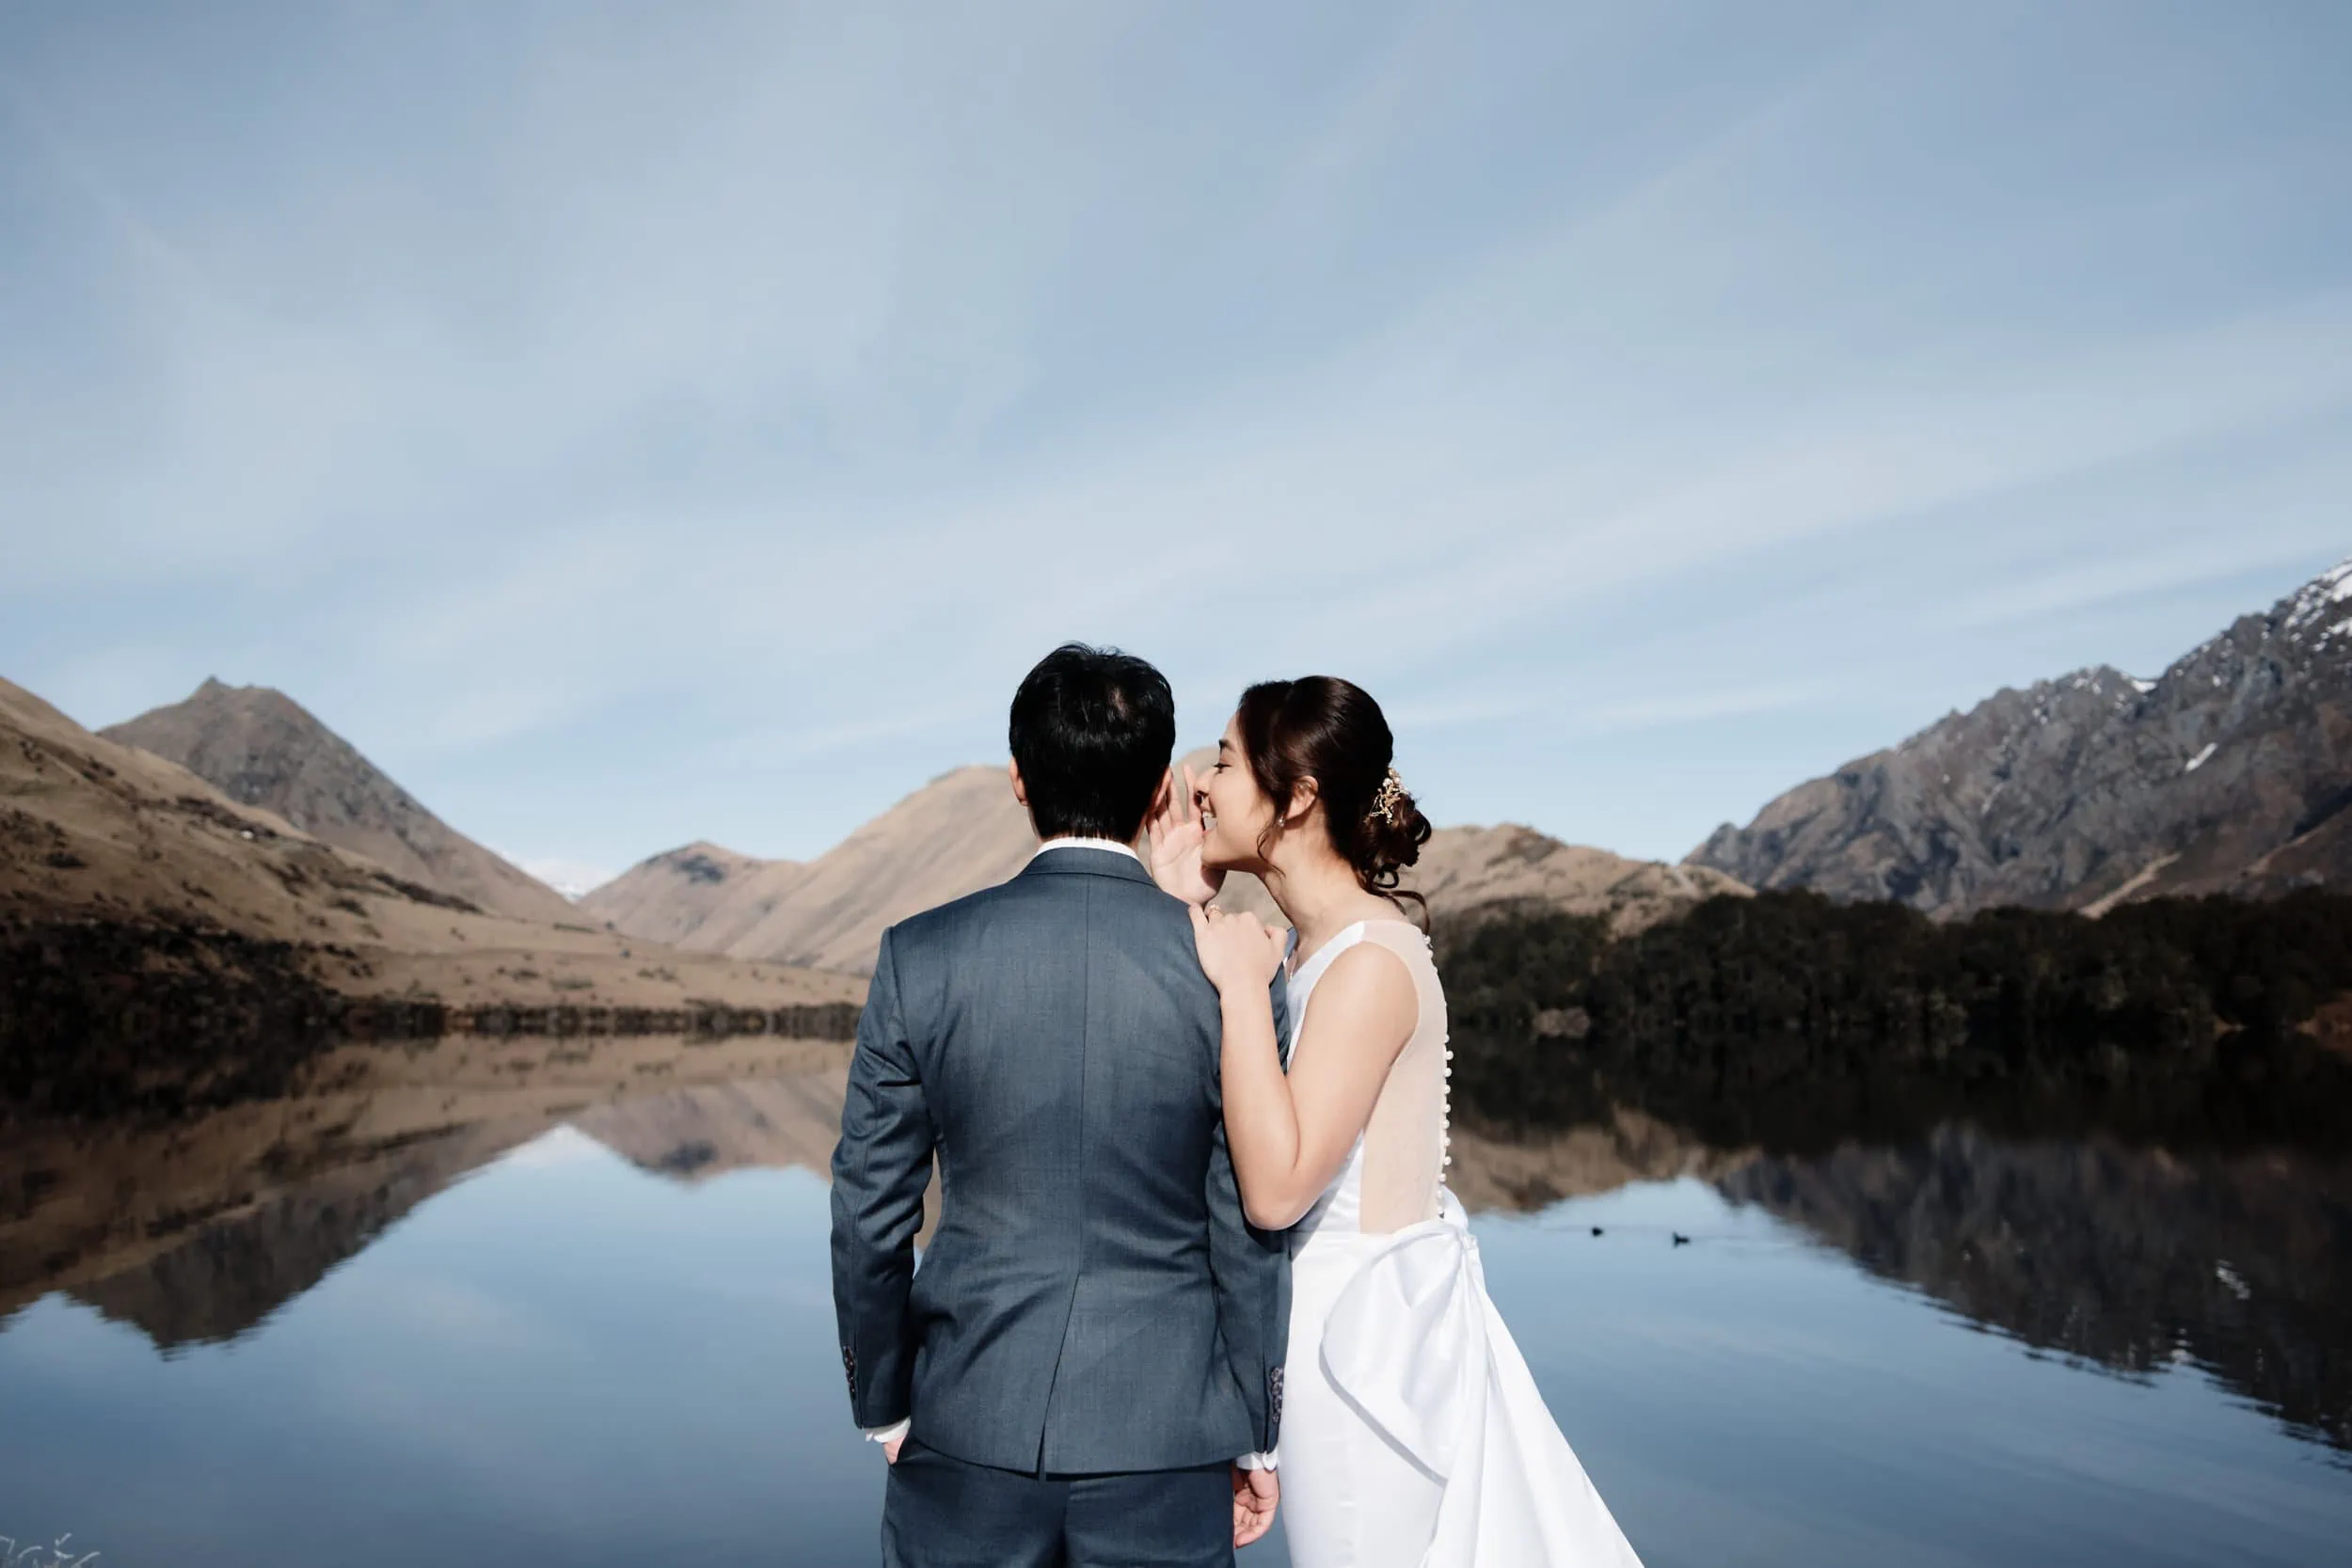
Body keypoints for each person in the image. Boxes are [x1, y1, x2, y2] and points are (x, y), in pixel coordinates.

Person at [1146, 675, 1645, 1567]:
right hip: (1335, 1343)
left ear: (1296, 796)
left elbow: (1275, 1189)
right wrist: (1185, 903)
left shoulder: (1369, 962)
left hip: (1367, 1360)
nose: (1199, 782)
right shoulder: (1308, 949)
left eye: (1222, 759)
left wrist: (1237, 991)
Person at [830, 642, 1290, 1568]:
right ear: (1164, 789)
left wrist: (884, 1395)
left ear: (1016, 779)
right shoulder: (1231, 968)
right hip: (1170, 1440)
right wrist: (1254, 1428)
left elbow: (869, 1212)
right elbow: (1244, 1220)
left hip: (966, 1422)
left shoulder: (921, 954)